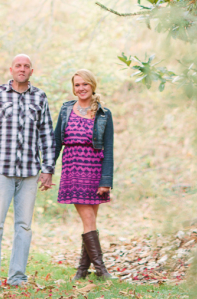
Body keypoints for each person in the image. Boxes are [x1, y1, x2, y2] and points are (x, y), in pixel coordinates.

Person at [0, 54, 55, 291]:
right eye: (18, 66)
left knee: (24, 226)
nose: (22, 69)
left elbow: (46, 134)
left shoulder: (39, 96)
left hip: (30, 171)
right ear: (11, 69)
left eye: (26, 66)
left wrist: (48, 169)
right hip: (1, 170)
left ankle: (18, 277)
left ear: (32, 71)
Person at [54, 68, 114, 281]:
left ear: (92, 86)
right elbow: (56, 143)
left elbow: (108, 147)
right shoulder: (66, 110)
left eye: (84, 84)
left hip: (94, 171)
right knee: (88, 219)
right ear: (73, 88)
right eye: (77, 85)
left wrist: (106, 180)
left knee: (90, 222)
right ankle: (101, 270)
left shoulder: (103, 114)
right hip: (73, 169)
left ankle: (81, 271)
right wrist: (48, 170)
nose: (81, 88)